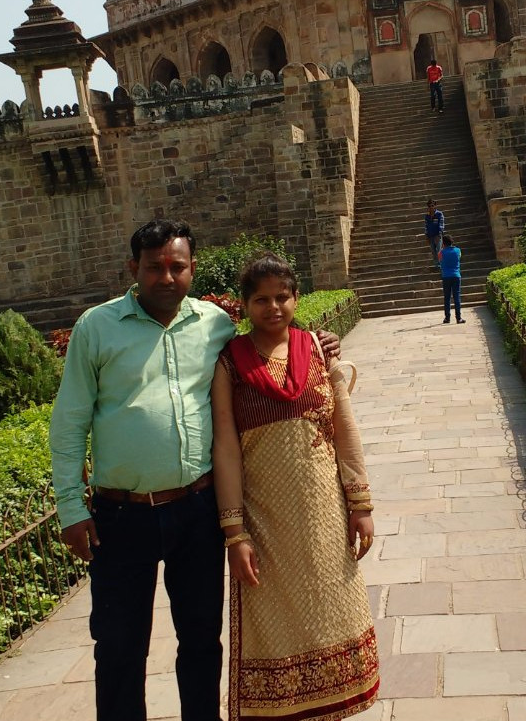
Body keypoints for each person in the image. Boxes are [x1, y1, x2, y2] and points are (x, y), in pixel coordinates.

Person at [49, 219, 339, 721]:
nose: (166, 277)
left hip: (198, 509)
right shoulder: (97, 327)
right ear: (132, 268)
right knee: (119, 645)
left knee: (202, 639)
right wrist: (71, 507)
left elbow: (268, 338)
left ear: (192, 268)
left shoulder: (214, 325)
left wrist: (317, 343)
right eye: (154, 267)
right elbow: (70, 421)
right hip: (123, 514)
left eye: (176, 267)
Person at [210, 252, 379, 721]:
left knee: (332, 611)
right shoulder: (231, 364)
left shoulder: (319, 351)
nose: (273, 307)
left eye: (282, 297)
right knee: (275, 623)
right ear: (244, 306)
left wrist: (360, 504)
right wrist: (234, 532)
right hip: (264, 519)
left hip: (325, 513)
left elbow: (344, 431)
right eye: (261, 299)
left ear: (296, 298)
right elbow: (225, 447)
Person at [439, 233, 465, 324]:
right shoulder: (458, 250)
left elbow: (440, 260)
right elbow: (459, 258)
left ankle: (447, 318)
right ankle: (458, 318)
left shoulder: (441, 252)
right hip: (456, 275)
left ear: (443, 243)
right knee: (457, 297)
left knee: (447, 297)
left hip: (446, 276)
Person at [424, 198, 445, 266]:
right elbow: (426, 226)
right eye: (429, 206)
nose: (431, 207)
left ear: (435, 206)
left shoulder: (439, 214)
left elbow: (441, 225)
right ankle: (436, 264)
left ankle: (441, 264)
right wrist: (426, 236)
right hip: (430, 236)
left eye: (432, 205)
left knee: (439, 250)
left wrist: (439, 234)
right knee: (433, 251)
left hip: (437, 235)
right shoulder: (427, 216)